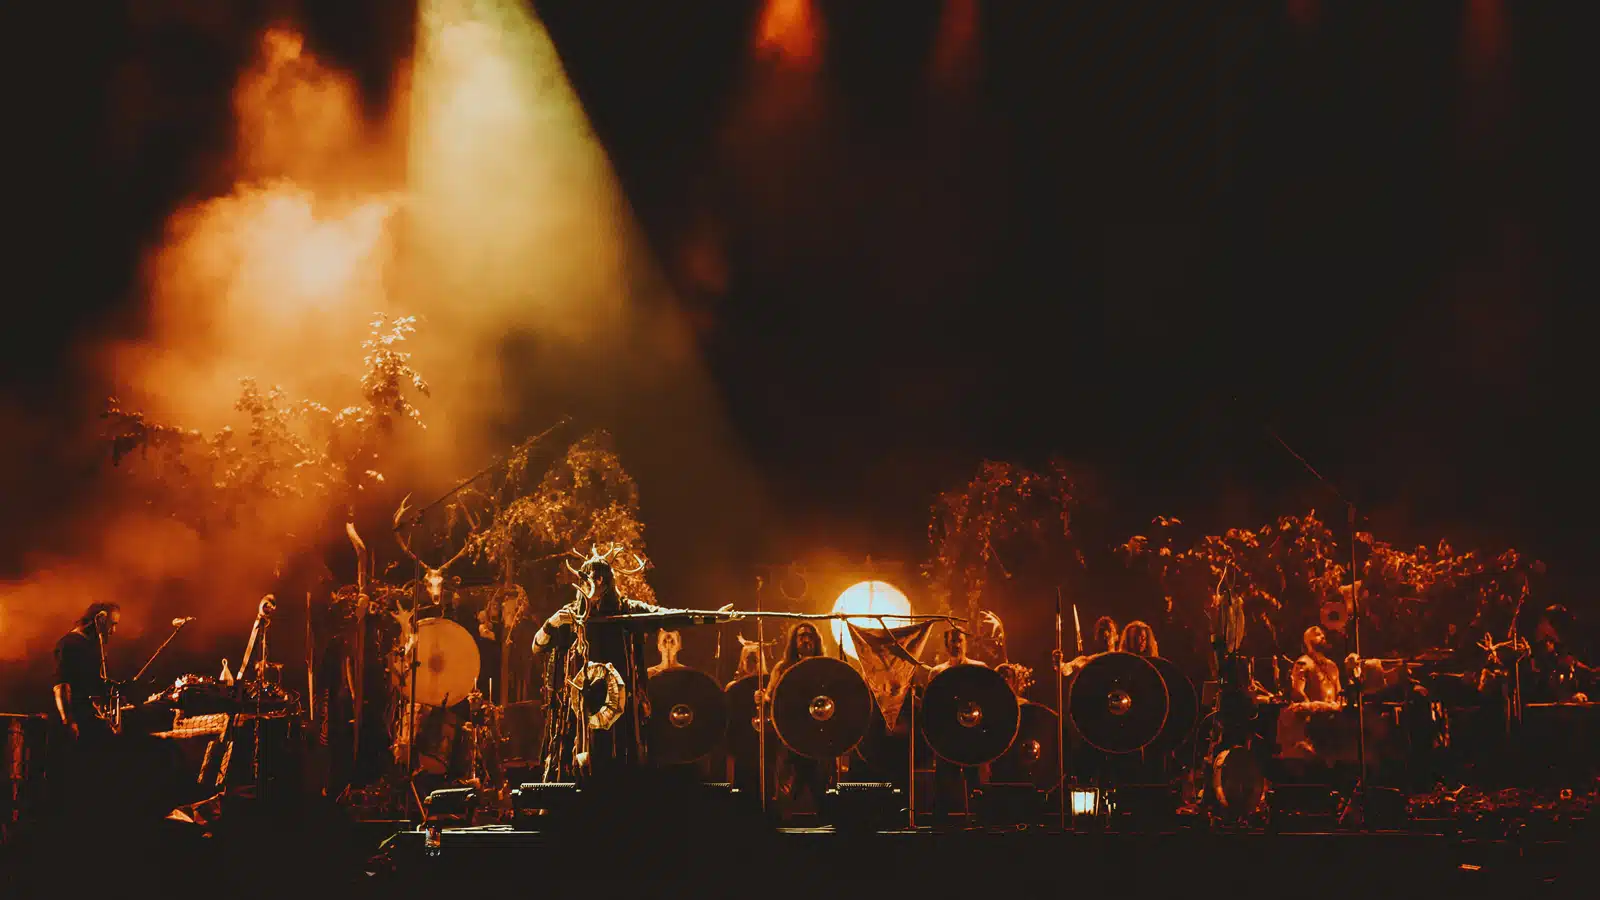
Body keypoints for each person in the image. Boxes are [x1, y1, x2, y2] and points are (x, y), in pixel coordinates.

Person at [529, 558, 731, 782]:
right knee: (576, 757)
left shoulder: (627, 609)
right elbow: (538, 646)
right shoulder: (569, 614)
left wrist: (713, 617)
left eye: (600, 580)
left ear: (608, 583)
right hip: (580, 704)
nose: (595, 586)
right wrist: (552, 623)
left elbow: (666, 616)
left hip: (620, 703)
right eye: (589, 580)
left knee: (617, 758)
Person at [755, 622, 829, 816]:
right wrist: (762, 697)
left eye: (810, 636)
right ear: (794, 641)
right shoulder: (782, 668)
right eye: (801, 636)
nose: (805, 640)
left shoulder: (824, 667)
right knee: (788, 791)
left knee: (820, 789)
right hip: (790, 737)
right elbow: (770, 696)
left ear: (816, 641)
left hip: (818, 737)